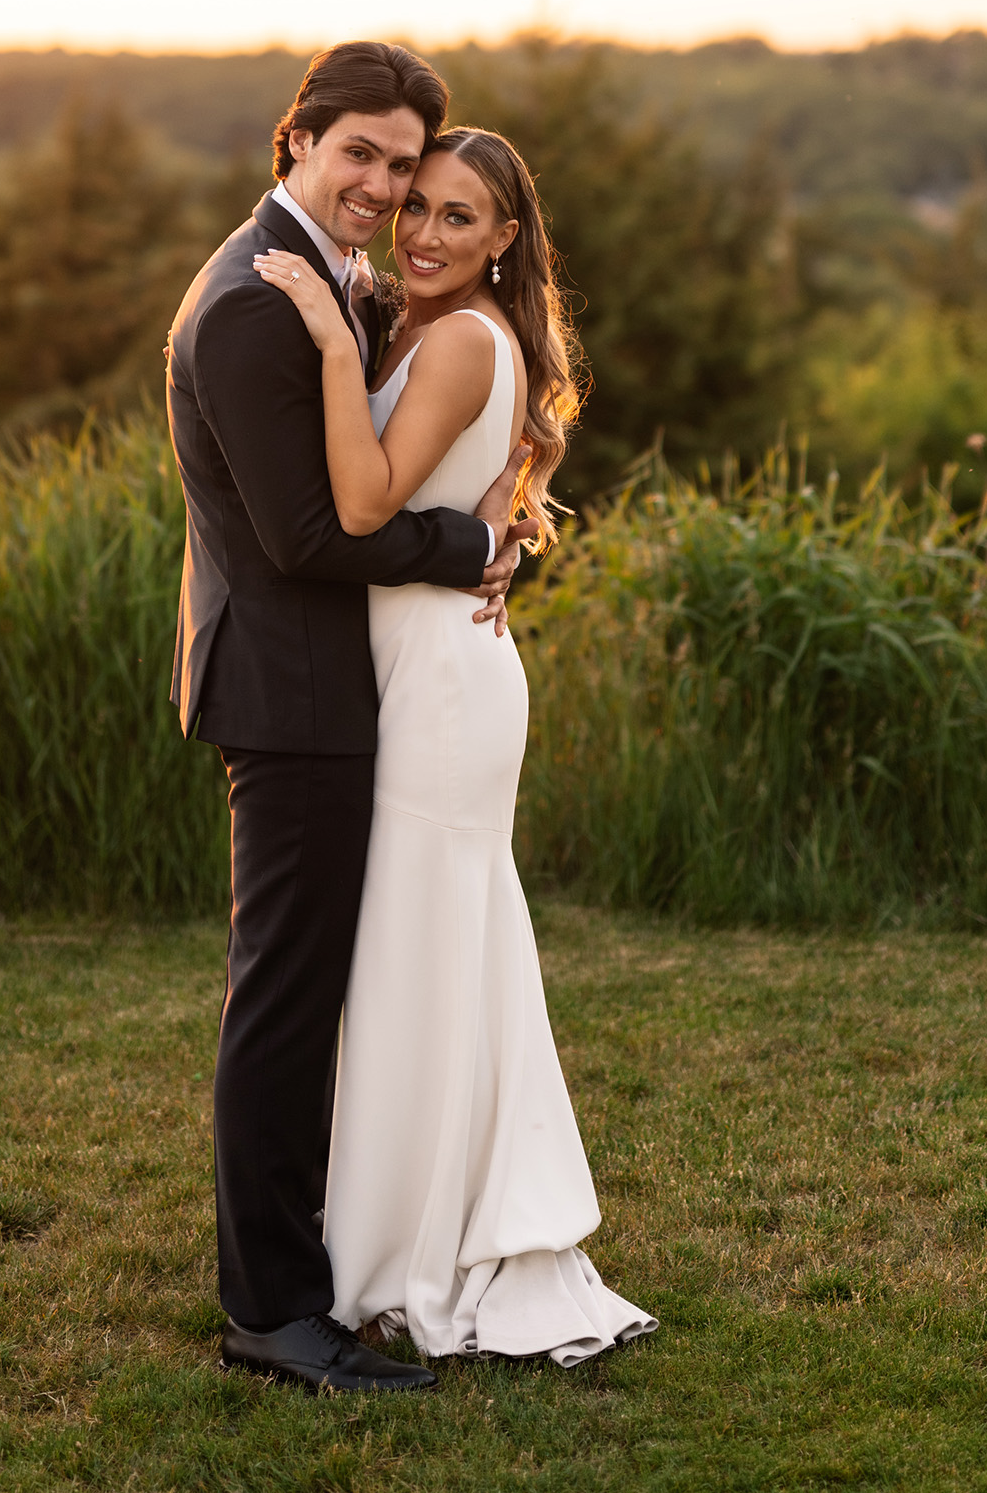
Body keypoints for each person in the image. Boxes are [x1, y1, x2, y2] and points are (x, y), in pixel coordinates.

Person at [256, 124, 657, 1366]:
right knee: (421, 955)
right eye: (414, 206)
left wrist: (328, 345)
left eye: (455, 217)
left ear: (503, 239)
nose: (421, 231)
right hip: (420, 664)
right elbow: (473, 490)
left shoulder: (463, 338)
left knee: (420, 957)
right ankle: (403, 1225)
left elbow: (369, 503)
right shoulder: (420, 321)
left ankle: (409, 1255)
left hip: (440, 684)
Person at [166, 43, 529, 1396]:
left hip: (330, 684)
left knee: (312, 989)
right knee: (283, 1000)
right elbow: (311, 534)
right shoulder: (258, 304)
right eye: (359, 155)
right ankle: (270, 1307)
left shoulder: (319, 277)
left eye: (402, 161)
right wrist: (463, 550)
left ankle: (313, 1253)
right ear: (295, 142)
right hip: (298, 693)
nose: (381, 185)